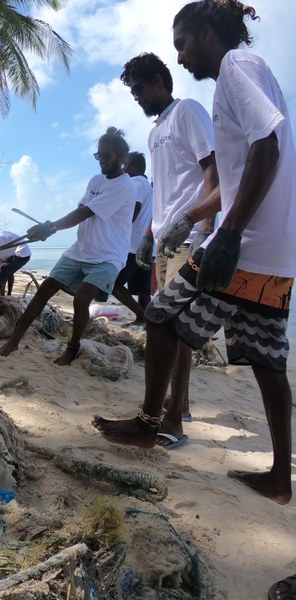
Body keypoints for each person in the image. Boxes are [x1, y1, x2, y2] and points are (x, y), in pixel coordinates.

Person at [95, 0, 295, 506]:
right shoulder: (253, 73)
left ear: (208, 33)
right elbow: (238, 173)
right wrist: (188, 218)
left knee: (161, 317)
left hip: (242, 244)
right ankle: (278, 478)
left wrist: (225, 234)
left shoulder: (235, 66)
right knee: (270, 363)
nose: (181, 58)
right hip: (274, 252)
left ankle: (151, 422)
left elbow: (267, 143)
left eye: (182, 44)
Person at [119, 51, 221, 432]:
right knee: (164, 324)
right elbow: (163, 189)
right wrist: (148, 235)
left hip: (188, 235)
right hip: (164, 240)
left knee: (173, 327)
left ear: (160, 81)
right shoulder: (153, 131)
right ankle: (182, 404)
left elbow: (213, 169)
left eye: (139, 88)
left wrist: (205, 232)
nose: (137, 97)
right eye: (132, 92)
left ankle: (175, 418)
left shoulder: (187, 112)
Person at [0, 127, 136, 365]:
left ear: (122, 157)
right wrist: (48, 228)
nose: (101, 161)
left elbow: (85, 212)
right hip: (80, 250)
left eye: (106, 156)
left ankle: (72, 348)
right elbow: (80, 210)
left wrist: (50, 228)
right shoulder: (95, 180)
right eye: (98, 155)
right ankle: (14, 341)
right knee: (43, 291)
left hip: (108, 256)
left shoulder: (124, 186)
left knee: (82, 299)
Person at [110, 152, 153, 325]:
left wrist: (115, 232)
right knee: (143, 289)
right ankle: (147, 322)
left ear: (134, 166)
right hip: (148, 245)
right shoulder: (148, 186)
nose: (122, 168)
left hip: (131, 245)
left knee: (114, 284)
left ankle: (141, 315)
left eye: (125, 164)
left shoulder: (134, 183)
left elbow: (133, 211)